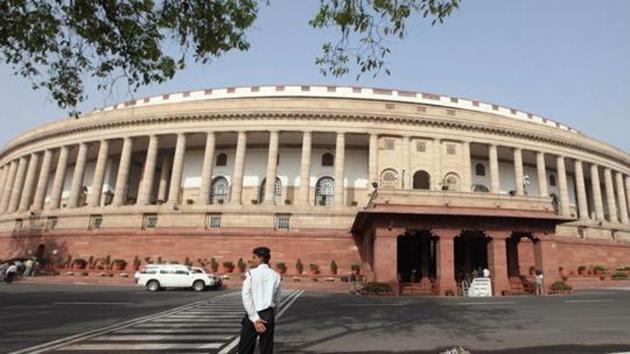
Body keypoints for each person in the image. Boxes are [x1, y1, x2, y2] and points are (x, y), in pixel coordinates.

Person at [238, 247, 282, 354]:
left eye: (254, 257)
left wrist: (255, 318)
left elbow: (246, 296)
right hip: (268, 314)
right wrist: (271, 315)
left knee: (245, 348)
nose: (252, 260)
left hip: (252, 315)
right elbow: (277, 299)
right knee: (266, 349)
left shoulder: (251, 274)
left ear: (260, 258)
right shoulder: (276, 275)